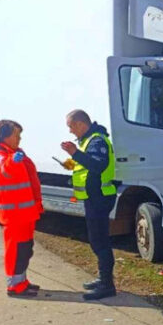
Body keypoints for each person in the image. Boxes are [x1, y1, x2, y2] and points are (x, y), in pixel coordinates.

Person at [60, 110, 117, 300]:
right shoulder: (88, 140)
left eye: (71, 126)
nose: (70, 131)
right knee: (97, 240)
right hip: (94, 197)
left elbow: (98, 165)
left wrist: (75, 153)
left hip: (99, 197)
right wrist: (71, 161)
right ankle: (103, 279)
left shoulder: (97, 140)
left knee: (100, 241)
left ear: (80, 124)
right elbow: (86, 165)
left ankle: (107, 285)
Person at [0, 120, 43, 297]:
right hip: (14, 214)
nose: (19, 138)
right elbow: (3, 170)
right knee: (16, 250)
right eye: (16, 134)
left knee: (25, 248)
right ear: (5, 136)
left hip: (24, 212)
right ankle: (14, 285)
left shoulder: (14, 152)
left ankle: (21, 281)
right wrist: (13, 161)